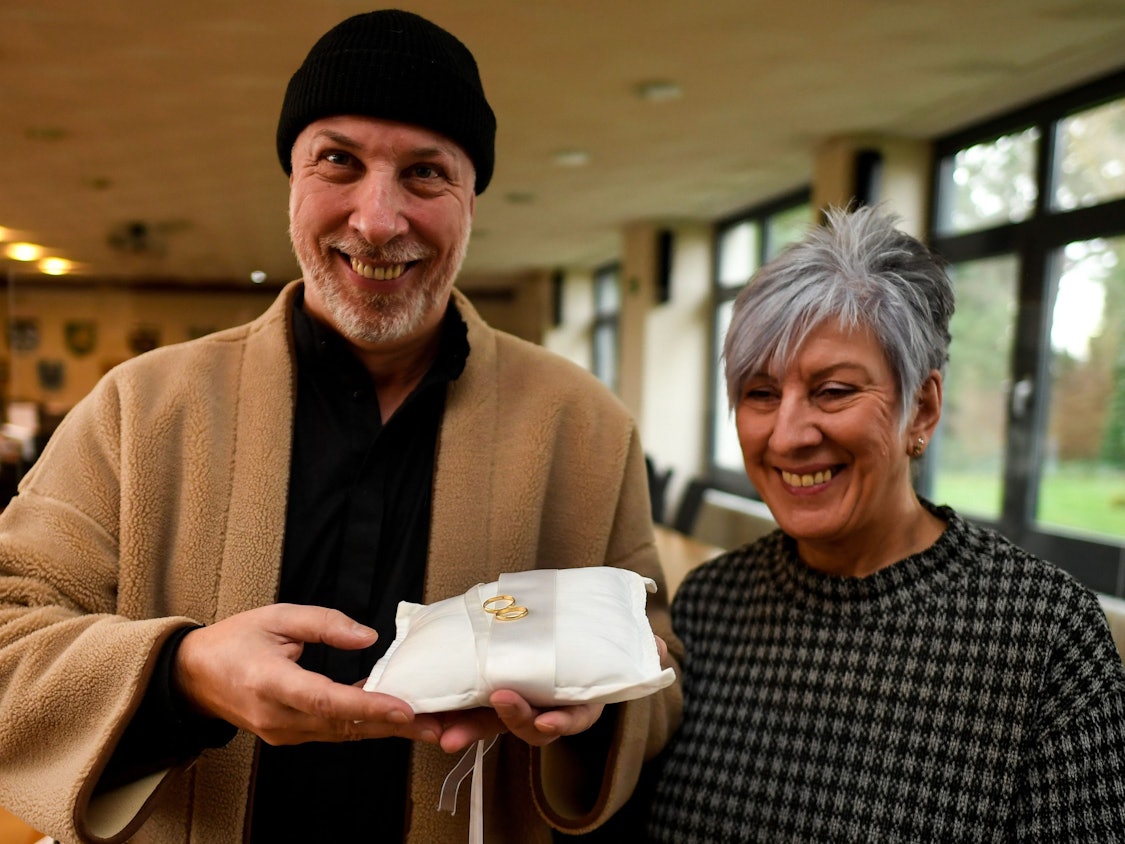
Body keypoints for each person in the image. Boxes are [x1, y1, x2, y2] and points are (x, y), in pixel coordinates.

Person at [0, 10, 681, 844]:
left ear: (471, 201)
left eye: (426, 173)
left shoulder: (583, 428)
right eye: (338, 161)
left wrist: (596, 710)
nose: (377, 219)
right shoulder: (139, 408)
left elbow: (651, 653)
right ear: (291, 175)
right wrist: (182, 677)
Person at [644, 206, 1125, 842]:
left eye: (834, 391)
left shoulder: (1044, 636)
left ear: (921, 410)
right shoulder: (710, 604)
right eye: (760, 394)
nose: (787, 436)